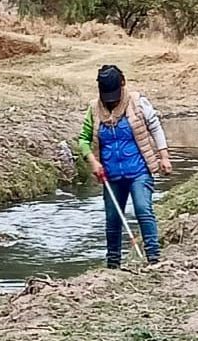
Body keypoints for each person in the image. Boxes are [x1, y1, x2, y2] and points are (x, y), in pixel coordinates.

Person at [76, 64, 173, 268]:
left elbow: (155, 127)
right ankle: (113, 264)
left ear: (123, 84)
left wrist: (164, 156)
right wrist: (92, 161)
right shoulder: (94, 110)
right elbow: (83, 140)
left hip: (139, 170)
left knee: (142, 209)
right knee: (112, 219)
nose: (111, 100)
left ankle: (153, 258)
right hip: (110, 175)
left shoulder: (138, 103)